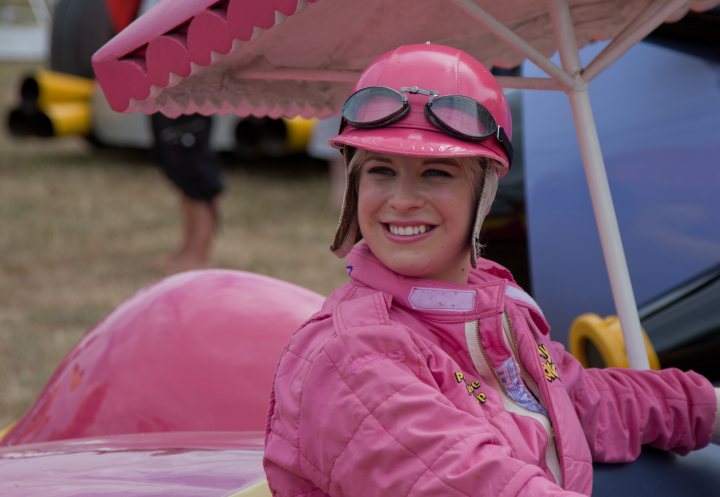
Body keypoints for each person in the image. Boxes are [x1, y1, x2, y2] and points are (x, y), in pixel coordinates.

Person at [263, 44, 720, 497]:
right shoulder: (352, 354)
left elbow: (579, 401)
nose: (401, 200)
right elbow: (470, 483)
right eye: (381, 170)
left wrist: (706, 406)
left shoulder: (496, 313)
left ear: (485, 190)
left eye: (436, 173)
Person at [150, 113, 224, 273]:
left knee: (193, 163)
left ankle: (199, 253)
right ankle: (187, 249)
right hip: (164, 90)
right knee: (174, 160)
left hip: (189, 92)